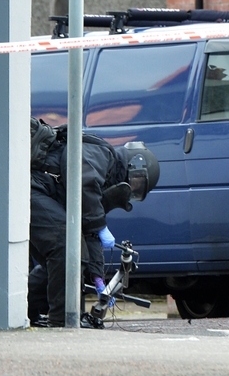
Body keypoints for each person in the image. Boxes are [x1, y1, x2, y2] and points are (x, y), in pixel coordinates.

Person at [27, 126, 158, 328]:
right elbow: (84, 180)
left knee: (67, 257)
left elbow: (90, 232)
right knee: (66, 245)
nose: (133, 189)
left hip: (38, 191)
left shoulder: (101, 189)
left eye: (138, 190)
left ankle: (29, 310)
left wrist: (98, 279)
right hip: (32, 186)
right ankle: (63, 322)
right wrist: (100, 225)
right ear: (132, 165)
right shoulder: (104, 155)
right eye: (136, 183)